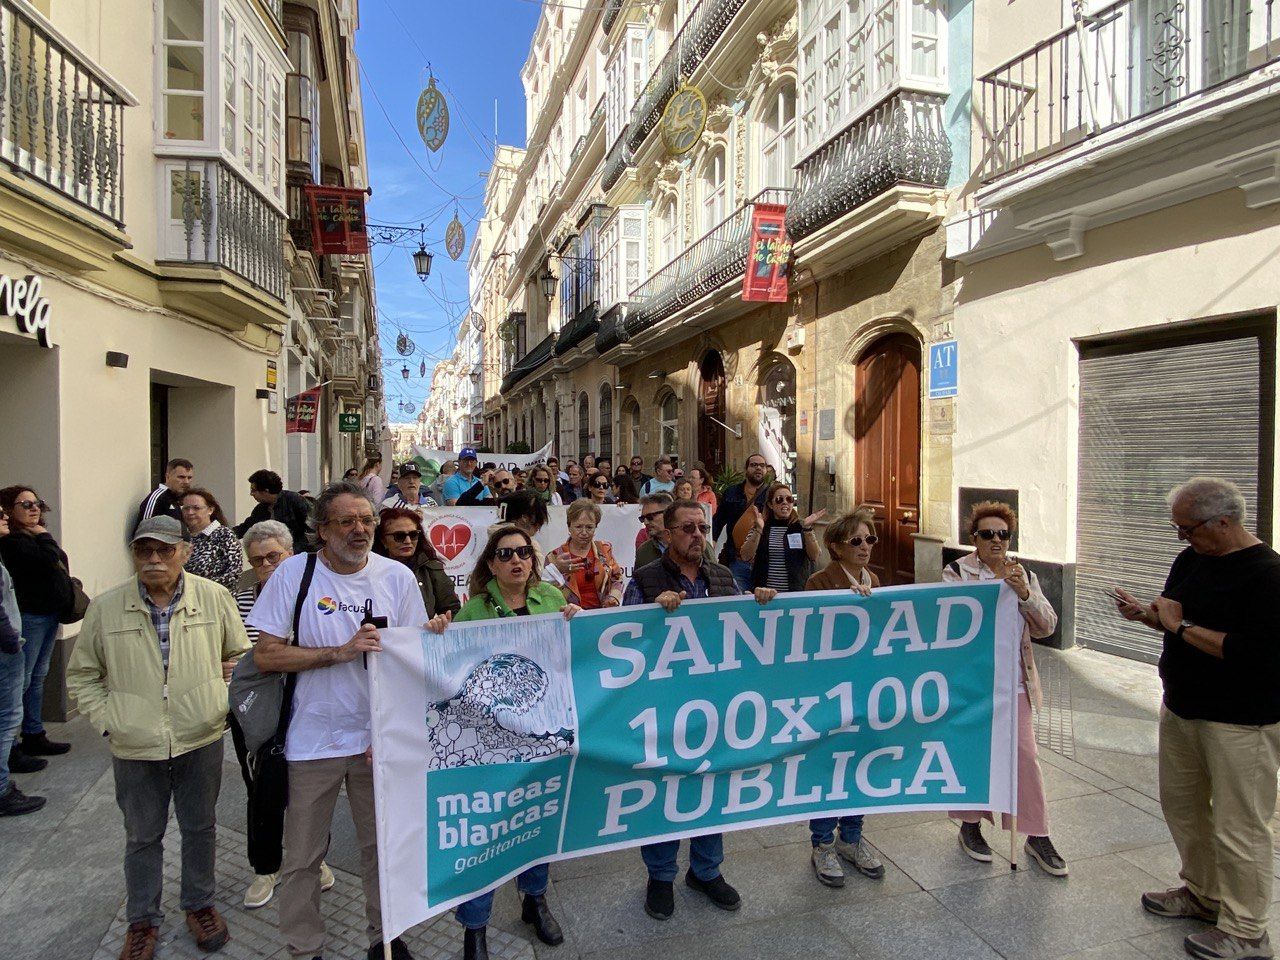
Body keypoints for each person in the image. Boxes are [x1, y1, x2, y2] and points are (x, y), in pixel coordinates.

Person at [248, 482, 427, 960]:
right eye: (346, 521)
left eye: (367, 520)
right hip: (312, 741)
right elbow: (265, 656)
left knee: (383, 851)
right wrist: (339, 653)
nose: (360, 530)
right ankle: (305, 948)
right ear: (321, 530)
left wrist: (391, 729)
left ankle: (385, 938)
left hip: (378, 743)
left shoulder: (397, 578)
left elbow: (414, 661)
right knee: (303, 857)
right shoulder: (294, 575)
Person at [67, 516, 250, 960]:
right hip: (134, 743)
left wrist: (220, 701)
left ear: (184, 552)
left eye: (164, 550)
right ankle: (143, 920)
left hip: (199, 736)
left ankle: (199, 904)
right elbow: (83, 675)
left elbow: (240, 656)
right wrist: (111, 719)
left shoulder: (214, 597)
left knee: (200, 828)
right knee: (142, 836)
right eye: (143, 550)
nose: (153, 559)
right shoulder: (106, 607)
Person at [1114, 478, 1280, 960]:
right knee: (1183, 807)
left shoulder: (1268, 576)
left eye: (1187, 529)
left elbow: (1254, 654)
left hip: (1241, 722)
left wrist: (1179, 626)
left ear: (1223, 523)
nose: (1181, 538)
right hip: (1183, 707)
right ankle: (1204, 895)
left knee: (1241, 825)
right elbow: (1175, 618)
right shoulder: (1193, 559)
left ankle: (1248, 930)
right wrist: (1146, 616)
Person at [425, 525, 579, 960]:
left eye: (524, 553)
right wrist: (436, 632)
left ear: (533, 560)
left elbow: (574, 656)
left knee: (536, 820)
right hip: (488, 745)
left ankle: (535, 900)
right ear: (491, 563)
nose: (517, 561)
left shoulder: (552, 599)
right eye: (506, 554)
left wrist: (575, 620)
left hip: (541, 738)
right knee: (484, 834)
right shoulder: (473, 610)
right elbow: (449, 666)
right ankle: (474, 928)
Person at [623, 499, 776, 920]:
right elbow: (624, 644)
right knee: (666, 791)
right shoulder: (646, 579)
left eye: (702, 529)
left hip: (716, 709)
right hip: (667, 712)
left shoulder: (724, 577)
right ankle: (660, 876)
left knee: (712, 789)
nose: (697, 536)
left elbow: (746, 637)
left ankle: (706, 871)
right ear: (668, 533)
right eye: (687, 528)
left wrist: (759, 602)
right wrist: (653, 616)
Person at [945, 501, 1065, 877]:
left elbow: (1047, 626)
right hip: (974, 685)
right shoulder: (956, 573)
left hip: (1015, 683)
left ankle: (1036, 833)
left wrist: (1025, 596)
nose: (996, 541)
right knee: (974, 754)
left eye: (1003, 534)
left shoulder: (1022, 573)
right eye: (987, 534)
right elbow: (948, 622)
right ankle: (970, 825)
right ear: (973, 539)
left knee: (1025, 757)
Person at [229, 522, 337, 909]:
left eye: (274, 557)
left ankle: (314, 859)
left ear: (290, 554)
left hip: (308, 701)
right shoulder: (241, 593)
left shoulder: (315, 586)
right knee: (262, 789)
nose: (267, 566)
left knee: (310, 789)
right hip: (259, 705)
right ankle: (265, 868)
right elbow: (240, 647)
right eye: (258, 560)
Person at [803, 507, 884, 886]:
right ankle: (822, 843)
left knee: (860, 764)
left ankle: (851, 837)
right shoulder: (819, 582)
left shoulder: (877, 581)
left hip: (866, 691)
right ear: (836, 547)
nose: (865, 547)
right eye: (856, 540)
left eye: (870, 539)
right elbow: (810, 638)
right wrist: (846, 607)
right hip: (831, 694)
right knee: (829, 766)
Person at [0, 485, 73, 762]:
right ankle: (13, 745)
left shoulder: (28, 537)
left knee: (38, 678)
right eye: (25, 504)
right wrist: (44, 536)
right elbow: (48, 559)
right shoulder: (11, 541)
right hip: (30, 616)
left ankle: (33, 733)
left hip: (48, 614)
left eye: (37, 504)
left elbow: (56, 560)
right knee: (23, 680)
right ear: (9, 509)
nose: (34, 509)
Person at [0, 503, 43, 816]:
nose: (5, 517)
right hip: (6, 651)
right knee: (5, 721)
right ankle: (2, 790)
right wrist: (13, 643)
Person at [374, 508, 461, 619]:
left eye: (413, 534)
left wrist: (441, 624)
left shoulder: (430, 569)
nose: (408, 541)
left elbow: (452, 611)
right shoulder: (367, 569)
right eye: (399, 536)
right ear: (383, 540)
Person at [739, 482, 823, 592]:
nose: (785, 503)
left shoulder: (800, 527)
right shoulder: (762, 526)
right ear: (770, 504)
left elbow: (815, 556)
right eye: (779, 499)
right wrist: (758, 529)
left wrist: (807, 529)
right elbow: (745, 556)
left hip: (794, 594)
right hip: (765, 595)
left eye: (789, 499)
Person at [550, 500, 624, 609]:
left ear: (595, 527)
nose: (584, 532)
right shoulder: (555, 556)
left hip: (602, 616)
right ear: (569, 527)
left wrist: (614, 597)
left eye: (589, 527)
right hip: (570, 618)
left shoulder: (604, 549)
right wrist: (557, 570)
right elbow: (545, 590)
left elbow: (617, 578)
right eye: (578, 527)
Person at [714, 454, 771, 591]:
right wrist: (710, 547)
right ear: (746, 469)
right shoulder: (731, 492)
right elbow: (718, 521)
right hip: (737, 559)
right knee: (740, 600)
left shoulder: (772, 494)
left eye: (762, 465)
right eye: (754, 465)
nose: (758, 468)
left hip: (764, 561)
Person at [180, 489, 244, 592]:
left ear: (210, 510)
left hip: (216, 600)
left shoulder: (225, 535)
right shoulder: (180, 537)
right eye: (186, 508)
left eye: (196, 508)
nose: (190, 512)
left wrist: (199, 589)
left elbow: (233, 574)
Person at [234, 470, 312, 550]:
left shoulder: (295, 500)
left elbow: (312, 528)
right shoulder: (260, 510)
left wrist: (299, 550)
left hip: (298, 554)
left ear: (266, 491)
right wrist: (225, 533)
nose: (251, 494)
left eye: (254, 490)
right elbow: (246, 528)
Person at [135, 458, 195, 530]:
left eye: (189, 478)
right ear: (167, 476)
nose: (186, 482)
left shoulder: (180, 499)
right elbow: (143, 531)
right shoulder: (157, 498)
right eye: (181, 477)